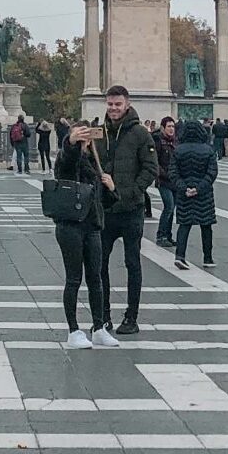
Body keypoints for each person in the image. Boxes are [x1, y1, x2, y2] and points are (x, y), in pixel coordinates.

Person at [94, 86, 157, 335]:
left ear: (127, 104)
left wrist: (127, 191)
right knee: (100, 265)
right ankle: (104, 316)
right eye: (110, 104)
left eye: (117, 104)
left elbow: (151, 169)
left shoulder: (141, 133)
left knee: (133, 263)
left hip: (131, 209)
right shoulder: (99, 133)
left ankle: (131, 317)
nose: (113, 108)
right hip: (105, 210)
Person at [53, 122, 118, 350]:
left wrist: (111, 187)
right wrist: (70, 142)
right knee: (73, 279)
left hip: (92, 226)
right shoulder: (68, 161)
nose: (85, 139)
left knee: (95, 279)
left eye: (87, 135)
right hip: (70, 225)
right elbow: (66, 159)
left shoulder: (94, 162)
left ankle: (99, 328)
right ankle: (73, 331)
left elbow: (103, 201)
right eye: (80, 135)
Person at [171, 117, 217, 268]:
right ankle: (208, 258)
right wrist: (199, 188)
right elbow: (212, 173)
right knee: (206, 225)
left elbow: (173, 173)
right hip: (203, 193)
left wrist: (184, 188)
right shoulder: (208, 150)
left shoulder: (178, 150)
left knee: (184, 224)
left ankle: (180, 255)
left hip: (184, 193)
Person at [153, 115, 177, 249]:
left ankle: (167, 235)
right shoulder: (158, 141)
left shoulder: (175, 142)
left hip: (175, 181)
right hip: (164, 180)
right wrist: (165, 174)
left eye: (173, 126)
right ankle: (160, 235)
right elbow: (155, 162)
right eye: (169, 126)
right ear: (163, 128)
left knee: (172, 208)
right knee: (168, 207)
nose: (171, 129)